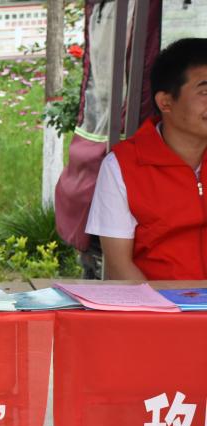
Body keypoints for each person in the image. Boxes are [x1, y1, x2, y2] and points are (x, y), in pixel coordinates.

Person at [86, 38, 207, 280]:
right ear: (165, 102)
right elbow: (119, 268)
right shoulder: (122, 166)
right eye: (205, 92)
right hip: (157, 301)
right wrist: (161, 304)